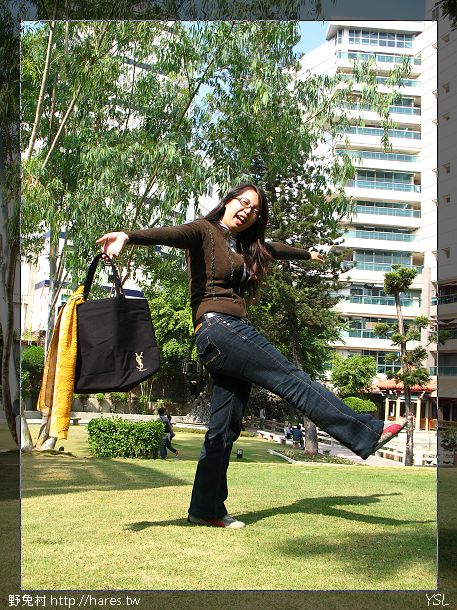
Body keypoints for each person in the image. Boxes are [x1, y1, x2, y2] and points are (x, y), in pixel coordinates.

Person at [96, 182, 407, 529]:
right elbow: (171, 233)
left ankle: (206, 509)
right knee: (291, 378)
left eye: (255, 210)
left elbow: (274, 248)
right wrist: (128, 236)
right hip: (221, 329)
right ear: (228, 201)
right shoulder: (203, 230)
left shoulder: (244, 246)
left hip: (220, 340)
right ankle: (365, 432)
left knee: (223, 430)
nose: (247, 211)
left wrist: (307, 254)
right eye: (243, 202)